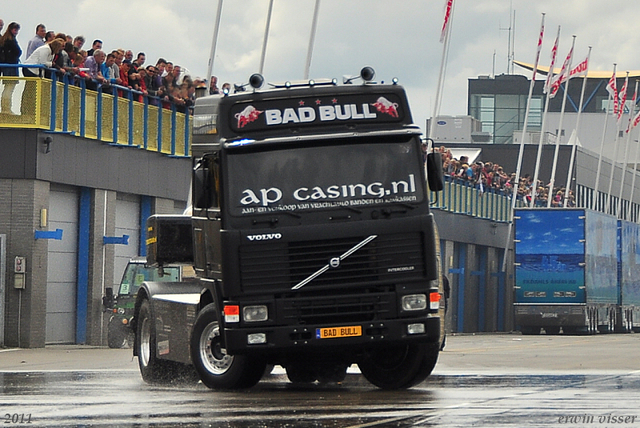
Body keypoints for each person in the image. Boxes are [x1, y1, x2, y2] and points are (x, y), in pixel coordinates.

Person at [0, 22, 21, 114]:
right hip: (11, 66)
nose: (16, 32)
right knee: (9, 87)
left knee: (8, 87)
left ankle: (6, 107)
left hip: (8, 66)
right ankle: (6, 108)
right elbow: (18, 51)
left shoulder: (4, 39)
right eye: (15, 29)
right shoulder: (10, 40)